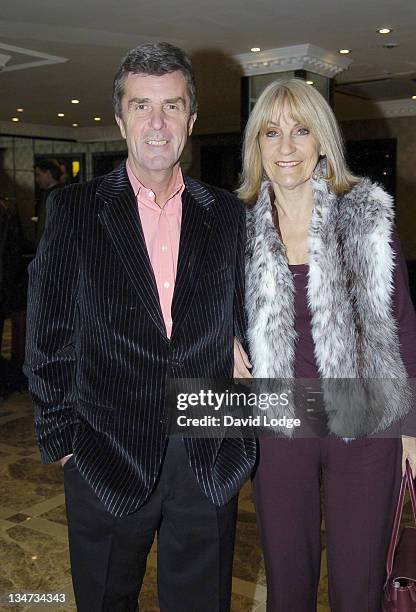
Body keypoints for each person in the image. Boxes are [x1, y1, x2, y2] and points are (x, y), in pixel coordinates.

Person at [25, 42, 256, 612]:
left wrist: (238, 355)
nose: (157, 122)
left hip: (205, 450)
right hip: (104, 451)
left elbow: (255, 312)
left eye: (172, 106)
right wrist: (64, 440)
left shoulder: (228, 214)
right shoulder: (75, 209)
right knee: (105, 599)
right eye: (142, 105)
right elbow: (48, 330)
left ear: (192, 119)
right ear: (121, 117)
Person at [235, 78, 416, 611]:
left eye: (301, 130)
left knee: (358, 582)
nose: (286, 147)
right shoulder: (234, 225)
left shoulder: (365, 216)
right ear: (257, 145)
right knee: (286, 579)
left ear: (323, 141)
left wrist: (412, 429)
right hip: (280, 419)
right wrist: (224, 344)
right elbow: (200, 304)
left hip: (367, 419)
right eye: (271, 133)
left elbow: (402, 322)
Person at [34, 158, 63, 244]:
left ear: (48, 174)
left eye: (38, 175)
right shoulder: (49, 194)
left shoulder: (58, 196)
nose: (37, 180)